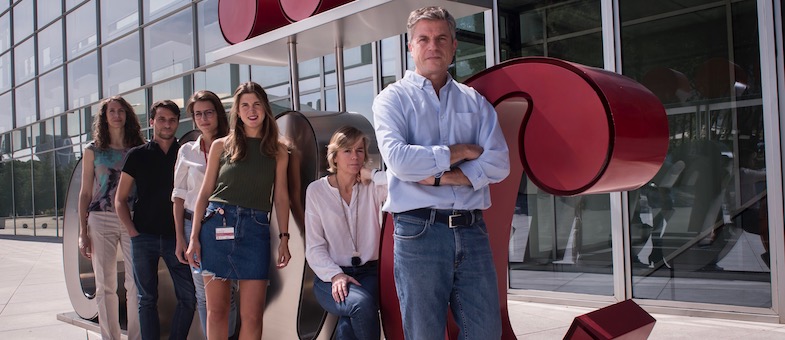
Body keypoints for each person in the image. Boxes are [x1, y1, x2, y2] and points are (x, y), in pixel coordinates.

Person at [372, 6, 510, 339]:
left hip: (472, 229)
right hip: (418, 233)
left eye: (441, 38)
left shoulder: (474, 102)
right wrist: (461, 152)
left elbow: (499, 163)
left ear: (453, 45)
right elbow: (401, 161)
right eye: (424, 39)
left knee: (486, 333)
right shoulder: (391, 100)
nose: (433, 46)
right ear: (411, 46)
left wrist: (437, 176)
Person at [186, 82, 291, 339]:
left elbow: (280, 196)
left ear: (265, 108)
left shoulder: (277, 150)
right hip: (217, 227)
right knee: (218, 311)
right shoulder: (221, 146)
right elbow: (204, 193)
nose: (251, 110)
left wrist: (284, 239)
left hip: (255, 232)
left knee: (253, 317)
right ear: (237, 111)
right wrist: (193, 238)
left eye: (256, 104)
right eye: (245, 105)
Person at [115, 100, 196, 340]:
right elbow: (120, 200)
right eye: (162, 119)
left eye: (172, 120)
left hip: (177, 238)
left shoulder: (185, 154)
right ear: (152, 122)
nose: (167, 124)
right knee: (146, 299)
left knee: (189, 297)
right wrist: (132, 232)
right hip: (144, 237)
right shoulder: (137, 155)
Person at [305, 126, 387, 340]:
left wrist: (374, 174)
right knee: (359, 304)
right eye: (347, 151)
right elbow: (314, 248)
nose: (355, 156)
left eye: (360, 150)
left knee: (349, 323)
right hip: (329, 275)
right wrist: (336, 275)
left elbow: (400, 186)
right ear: (334, 156)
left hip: (370, 273)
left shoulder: (372, 187)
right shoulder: (316, 191)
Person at [171, 90, 239, 336]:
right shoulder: (186, 151)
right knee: (203, 294)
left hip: (225, 225)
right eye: (198, 114)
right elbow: (178, 196)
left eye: (208, 112)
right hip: (193, 227)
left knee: (227, 293)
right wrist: (180, 237)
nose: (203, 118)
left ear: (218, 113)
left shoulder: (234, 146)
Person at [78, 96, 145, 340]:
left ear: (127, 115)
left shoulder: (138, 148)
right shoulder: (93, 150)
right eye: (111, 111)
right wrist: (82, 232)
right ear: (104, 117)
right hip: (100, 218)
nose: (116, 115)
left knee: (135, 283)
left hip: (132, 218)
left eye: (121, 111)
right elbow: (85, 192)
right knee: (104, 285)